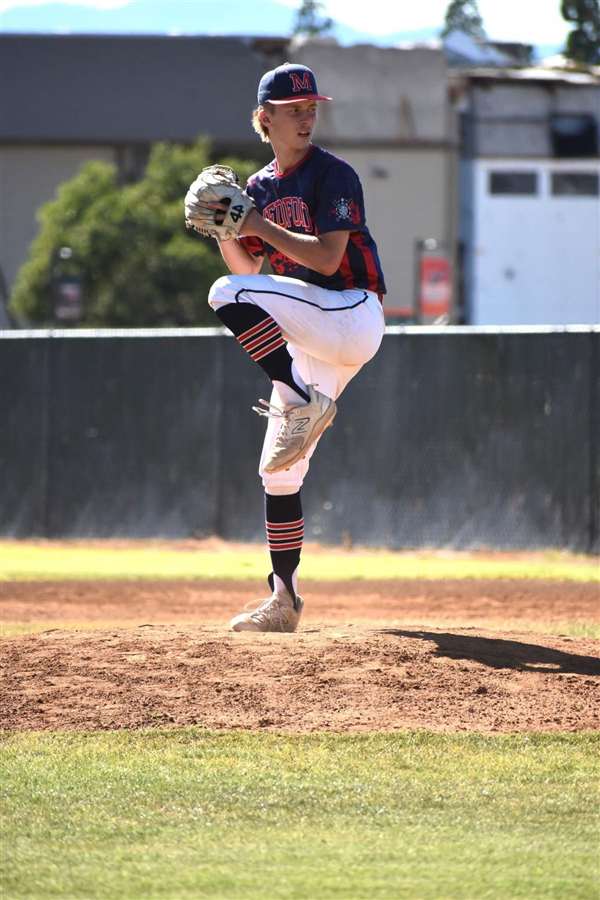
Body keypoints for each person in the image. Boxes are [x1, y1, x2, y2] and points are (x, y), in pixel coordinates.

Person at [207, 62, 386, 633]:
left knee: (222, 294)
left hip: (352, 312)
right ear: (266, 119)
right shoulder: (257, 188)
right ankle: (284, 599)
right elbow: (247, 268)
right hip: (314, 332)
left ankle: (293, 391)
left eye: (312, 107)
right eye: (294, 109)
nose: (307, 116)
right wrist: (227, 231)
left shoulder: (333, 174)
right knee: (279, 471)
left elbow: (329, 260)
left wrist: (257, 223)